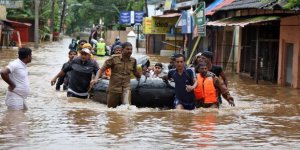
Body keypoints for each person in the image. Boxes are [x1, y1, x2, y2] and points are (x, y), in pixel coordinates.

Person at [91, 42, 141, 108]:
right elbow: (101, 70)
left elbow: (135, 72)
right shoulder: (113, 59)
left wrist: (142, 76)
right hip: (114, 88)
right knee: (111, 110)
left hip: (126, 88)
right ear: (122, 50)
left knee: (127, 107)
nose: (130, 51)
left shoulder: (133, 60)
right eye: (128, 49)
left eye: (131, 49)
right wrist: (96, 79)